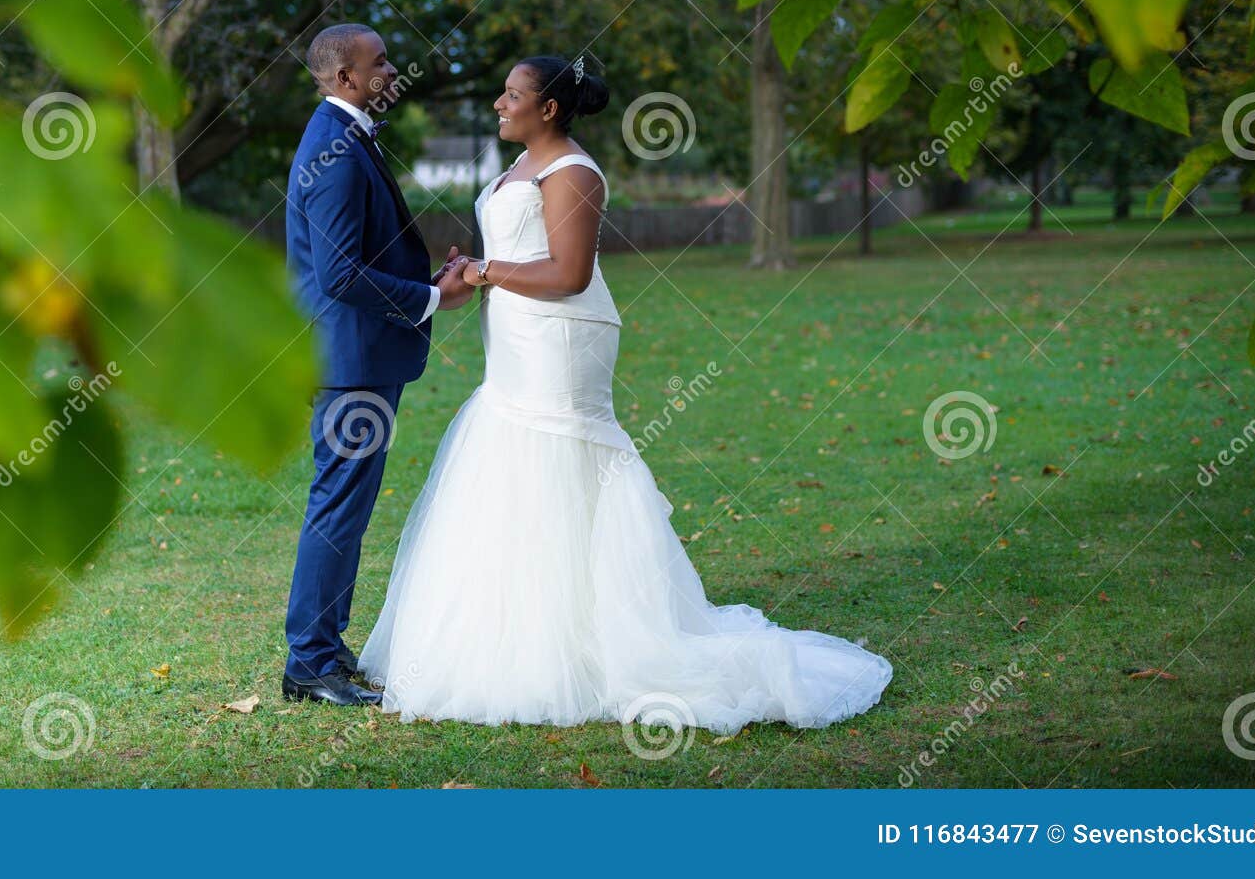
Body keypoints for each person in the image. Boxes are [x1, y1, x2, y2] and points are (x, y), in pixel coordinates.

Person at [359, 54, 893, 733]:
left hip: (562, 340)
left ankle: (590, 639)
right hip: (517, 339)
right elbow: (513, 259)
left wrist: (489, 268)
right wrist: (461, 281)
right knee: (510, 459)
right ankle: (527, 629)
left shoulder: (574, 173)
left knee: (557, 455)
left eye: (513, 95)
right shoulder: (515, 170)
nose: (499, 102)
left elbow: (571, 273)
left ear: (548, 108)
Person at [281, 23, 473, 706]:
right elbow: (337, 274)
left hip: (352, 357)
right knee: (339, 509)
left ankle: (323, 648)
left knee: (347, 509)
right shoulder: (335, 149)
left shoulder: (345, 134)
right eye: (380, 61)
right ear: (344, 78)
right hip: (349, 363)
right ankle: (309, 661)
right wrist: (430, 297)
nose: (393, 69)